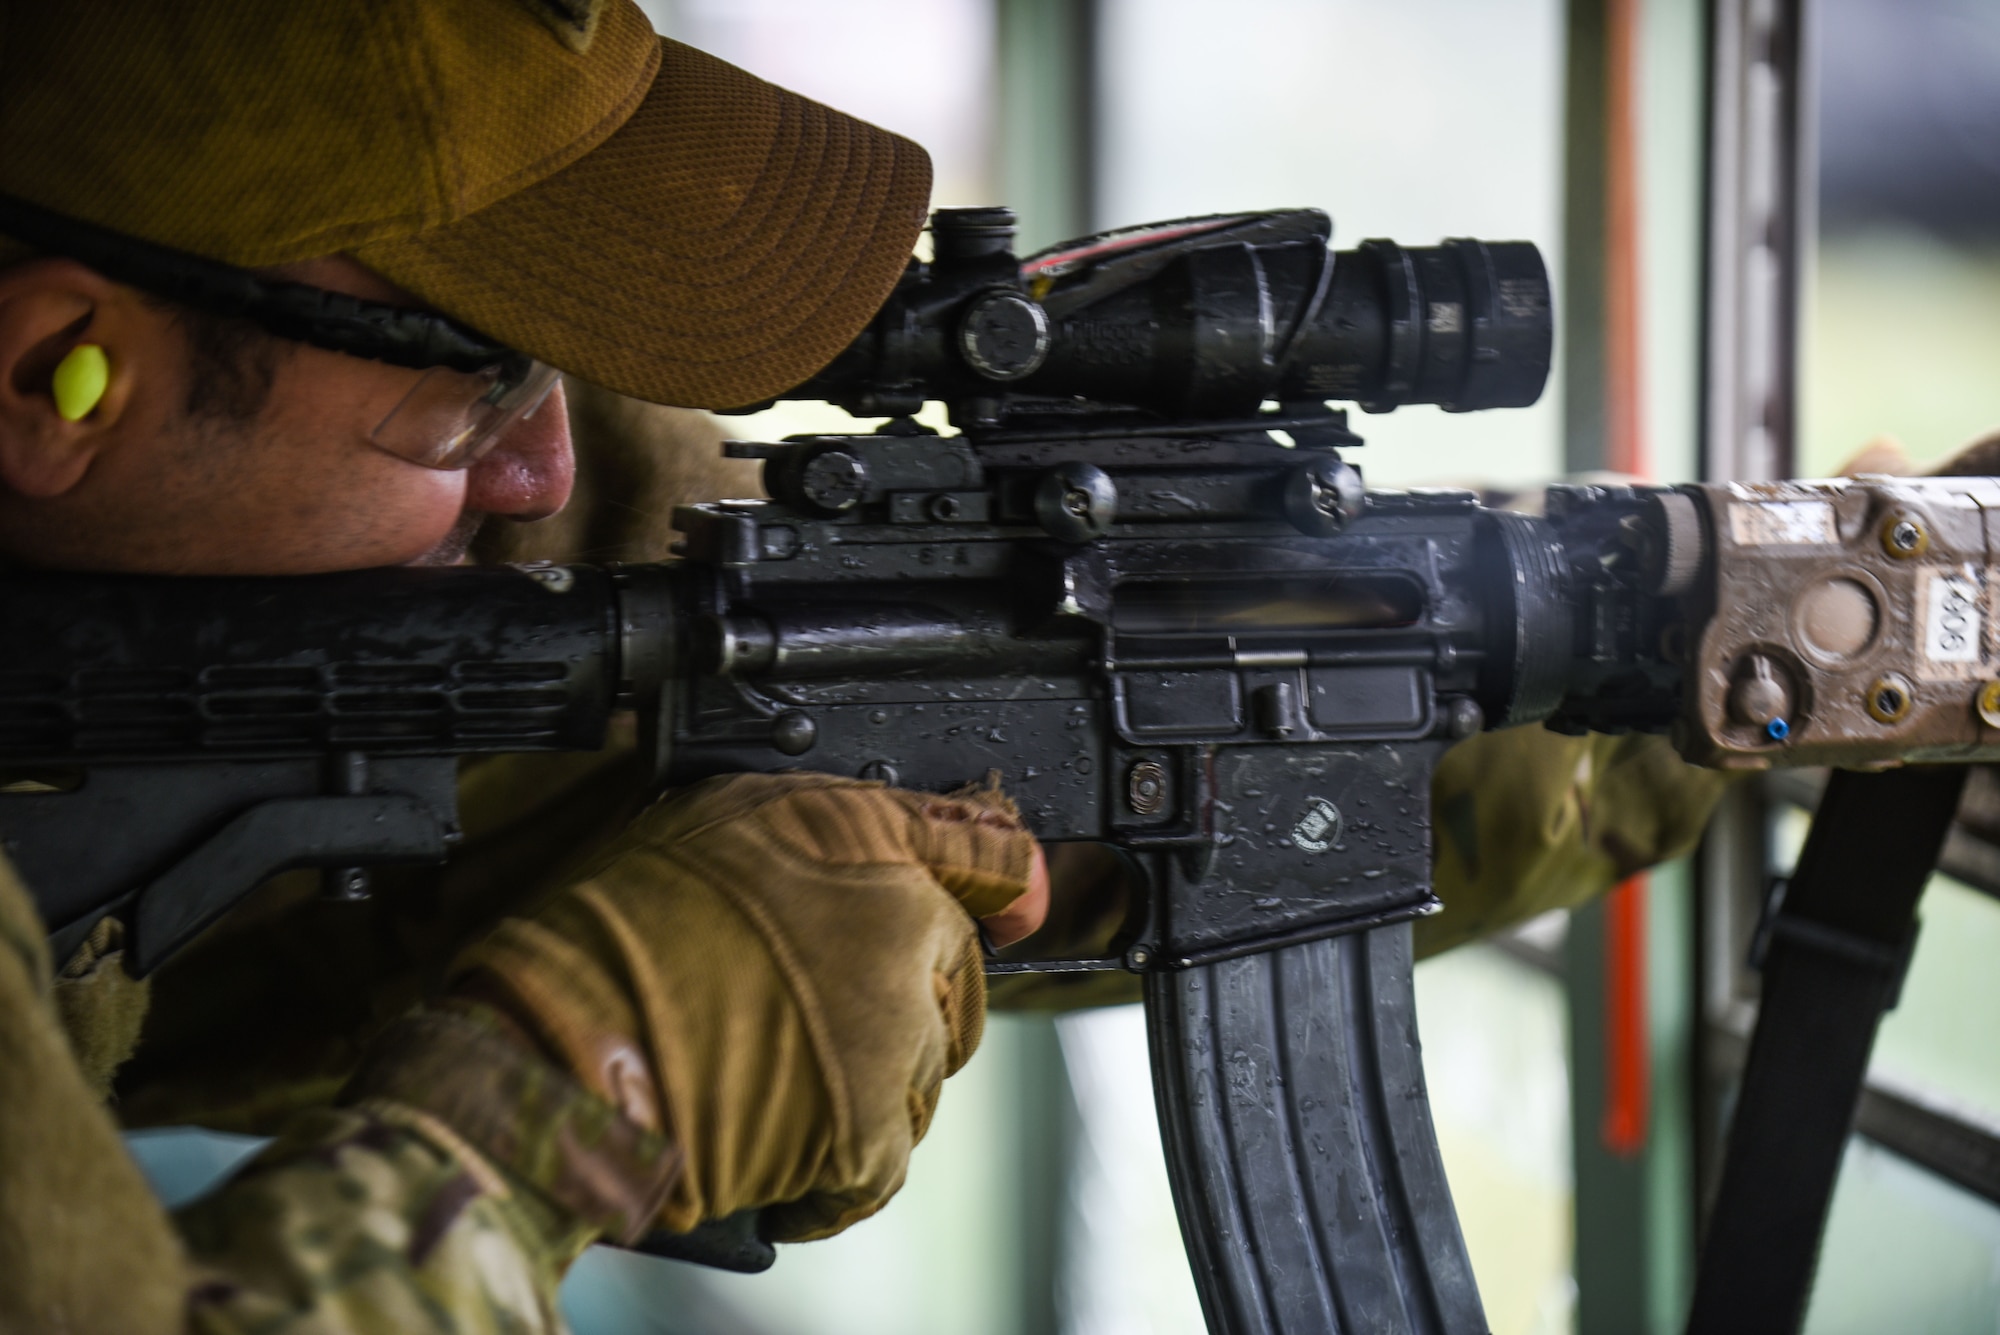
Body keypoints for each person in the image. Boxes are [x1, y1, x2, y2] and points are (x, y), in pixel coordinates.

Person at [0, 3, 1049, 1330]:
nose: (534, 468)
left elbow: (675, 556)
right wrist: (561, 1104)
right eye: (484, 382)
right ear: (52, 377)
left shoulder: (321, 495)